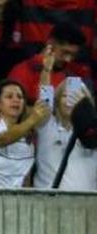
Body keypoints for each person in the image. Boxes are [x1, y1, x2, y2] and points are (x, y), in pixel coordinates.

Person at [32, 47, 97, 190]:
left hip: (87, 205)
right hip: (48, 203)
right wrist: (47, 70)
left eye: (75, 97)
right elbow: (44, 101)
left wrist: (85, 113)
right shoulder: (48, 127)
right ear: (57, 100)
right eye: (65, 96)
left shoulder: (92, 131)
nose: (69, 101)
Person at [0, 79, 48, 188]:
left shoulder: (29, 136)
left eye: (20, 97)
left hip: (15, 199)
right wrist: (32, 119)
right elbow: (4, 139)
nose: (16, 100)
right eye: (9, 96)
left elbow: (26, 173)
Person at [8, 22, 89, 104]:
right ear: (50, 43)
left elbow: (74, 112)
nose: (68, 59)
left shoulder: (72, 77)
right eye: (65, 52)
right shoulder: (21, 73)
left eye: (73, 55)